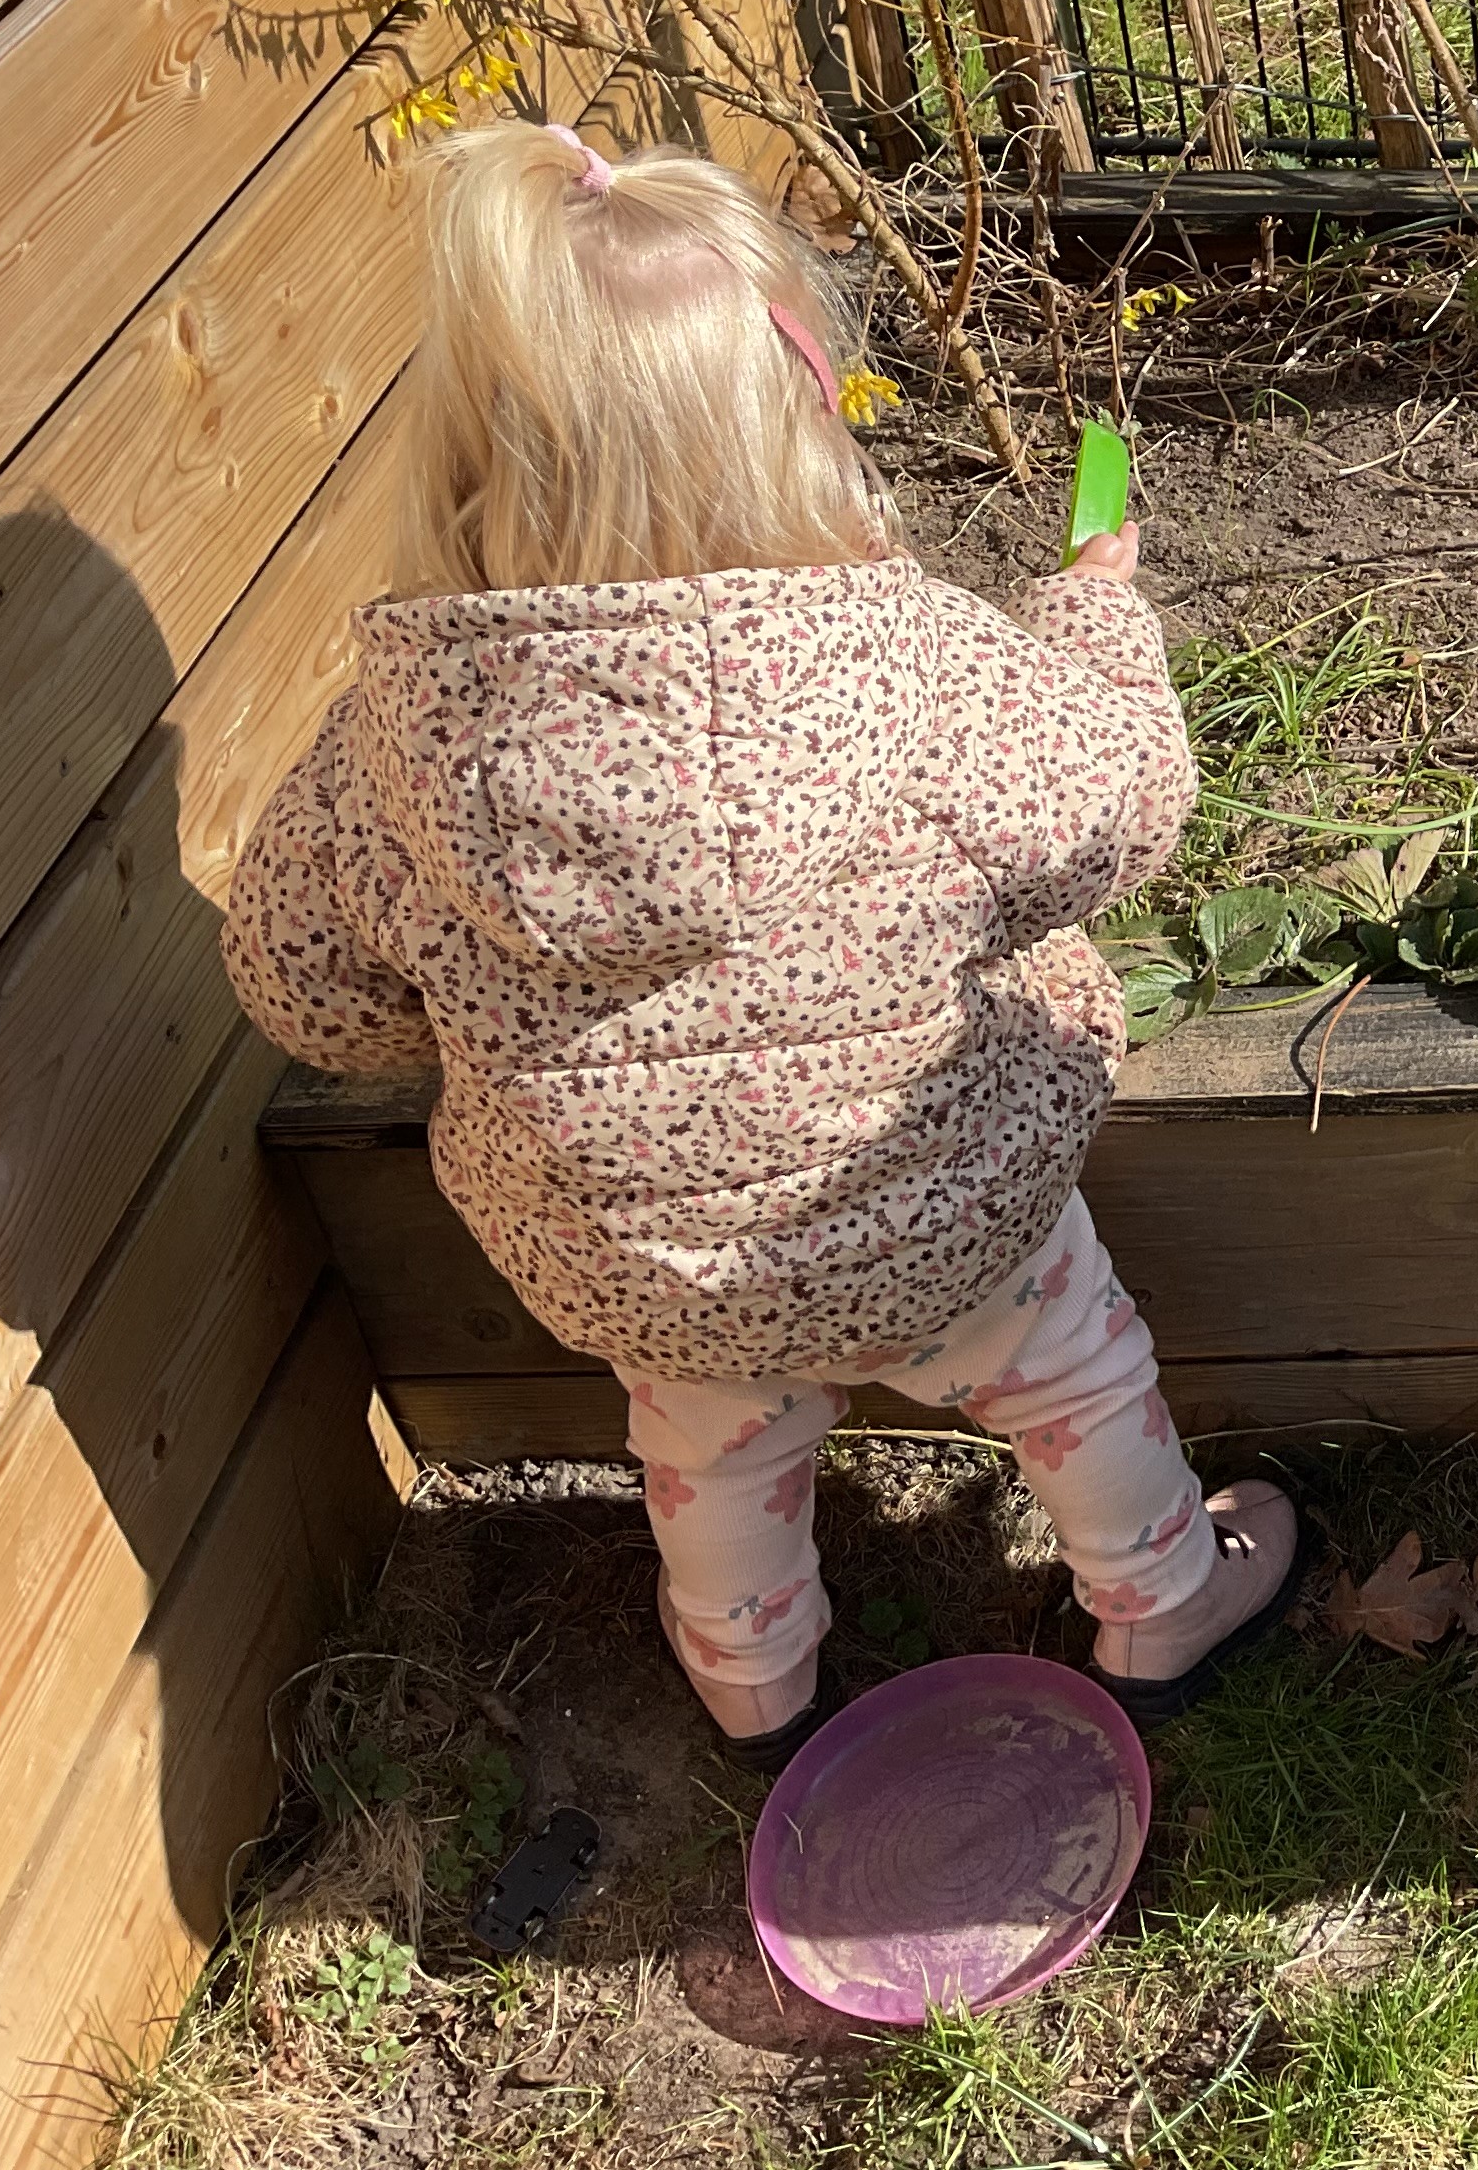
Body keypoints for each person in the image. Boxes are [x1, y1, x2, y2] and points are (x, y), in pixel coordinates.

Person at [223, 120, 1300, 1763]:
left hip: (640, 1270)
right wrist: (1095, 611)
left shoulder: (394, 739)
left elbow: (300, 990)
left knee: (708, 1443)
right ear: (793, 419)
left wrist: (458, 1011)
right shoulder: (912, 664)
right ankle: (1164, 1597)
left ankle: (752, 1682)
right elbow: (1121, 815)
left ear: (468, 456)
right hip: (951, 1208)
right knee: (1074, 1360)